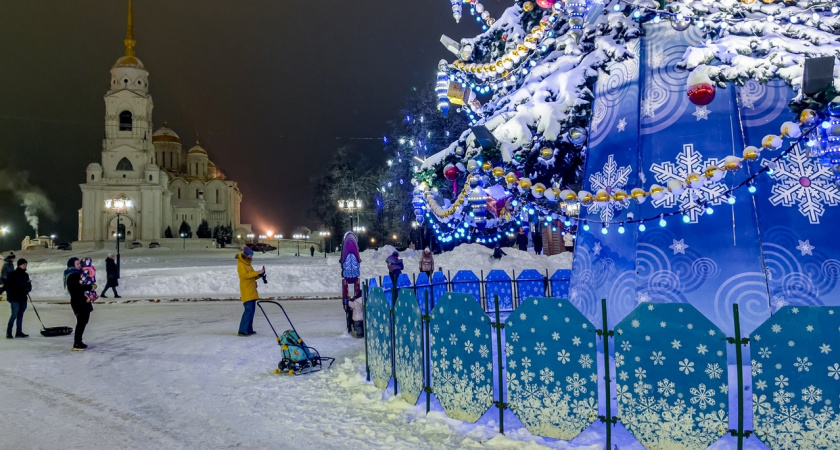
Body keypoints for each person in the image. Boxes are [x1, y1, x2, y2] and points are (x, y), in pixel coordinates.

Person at [236, 246, 264, 336]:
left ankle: (249, 329)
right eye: (250, 255)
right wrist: (257, 272)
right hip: (246, 290)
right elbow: (245, 275)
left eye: (252, 255)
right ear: (246, 255)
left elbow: (252, 276)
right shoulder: (241, 264)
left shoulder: (248, 264)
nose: (251, 257)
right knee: (248, 310)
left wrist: (260, 274)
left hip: (251, 290)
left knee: (251, 311)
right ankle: (242, 330)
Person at [65, 257, 92, 350]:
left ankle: (79, 341)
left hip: (83, 300)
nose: (80, 265)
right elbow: (76, 289)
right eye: (77, 264)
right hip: (78, 302)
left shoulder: (80, 274)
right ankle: (77, 342)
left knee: (84, 321)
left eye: (80, 263)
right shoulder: (72, 275)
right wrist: (89, 287)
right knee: (81, 322)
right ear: (72, 265)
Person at [5, 258, 31, 339]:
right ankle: (9, 332)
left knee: (20, 315)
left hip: (23, 298)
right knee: (14, 315)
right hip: (15, 298)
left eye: (26, 264)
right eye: (24, 264)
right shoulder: (12, 274)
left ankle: (18, 332)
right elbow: (9, 287)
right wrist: (21, 286)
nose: (25, 266)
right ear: (19, 265)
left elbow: (29, 285)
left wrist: (28, 288)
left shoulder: (26, 275)